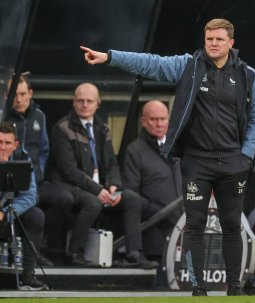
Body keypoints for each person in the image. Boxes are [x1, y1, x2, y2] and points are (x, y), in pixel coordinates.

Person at [80, 18, 255, 296]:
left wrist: (246, 156)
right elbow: (150, 63)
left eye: (218, 39)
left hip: (232, 162)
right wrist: (109, 57)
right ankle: (198, 288)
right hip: (196, 162)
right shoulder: (188, 66)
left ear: (231, 43)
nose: (213, 44)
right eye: (209, 39)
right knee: (194, 226)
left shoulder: (247, 75)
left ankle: (235, 288)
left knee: (231, 225)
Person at [49, 82, 157, 268]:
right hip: (73, 188)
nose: (84, 104)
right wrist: (98, 190)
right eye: (80, 100)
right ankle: (75, 253)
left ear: (97, 103)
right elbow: (69, 171)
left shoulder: (102, 128)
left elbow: (112, 163)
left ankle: (134, 253)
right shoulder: (62, 128)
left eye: (89, 101)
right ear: (73, 103)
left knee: (132, 199)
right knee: (92, 201)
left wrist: (114, 185)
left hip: (100, 189)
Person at [6, 74, 68, 264]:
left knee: (64, 199)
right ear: (6, 95)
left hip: (34, 178)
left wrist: (38, 171)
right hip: (9, 179)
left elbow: (44, 150)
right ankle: (29, 255)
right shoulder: (3, 116)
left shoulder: (39, 116)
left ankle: (43, 248)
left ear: (30, 93)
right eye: (13, 94)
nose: (18, 99)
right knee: (31, 207)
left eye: (22, 94)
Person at [121, 100, 182, 288]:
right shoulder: (134, 151)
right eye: (154, 119)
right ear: (143, 121)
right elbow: (131, 195)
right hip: (155, 239)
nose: (159, 123)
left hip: (183, 236)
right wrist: (161, 214)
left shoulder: (180, 147)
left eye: (163, 119)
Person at [0, 122, 48, 290]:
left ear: (15, 144)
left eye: (7, 143)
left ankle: (28, 275)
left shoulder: (22, 157)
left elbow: (30, 195)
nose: (3, 147)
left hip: (9, 213)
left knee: (36, 216)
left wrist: (5, 213)